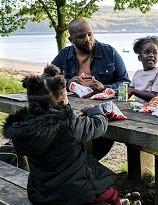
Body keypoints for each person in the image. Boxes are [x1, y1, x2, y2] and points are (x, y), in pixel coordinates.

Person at [3, 65, 121, 205]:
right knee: (111, 194)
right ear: (61, 102)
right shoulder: (69, 124)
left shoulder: (23, 128)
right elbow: (98, 126)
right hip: (76, 192)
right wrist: (94, 110)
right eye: (66, 99)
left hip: (40, 194)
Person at [52, 18, 131, 160]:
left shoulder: (109, 52)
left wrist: (105, 88)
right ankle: (77, 165)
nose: (88, 39)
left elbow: (125, 82)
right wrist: (68, 82)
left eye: (90, 34)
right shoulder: (64, 55)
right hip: (72, 109)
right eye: (81, 37)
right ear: (71, 39)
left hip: (101, 109)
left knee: (100, 136)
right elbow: (47, 80)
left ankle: (86, 164)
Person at [128, 36, 158, 102]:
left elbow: (154, 97)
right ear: (139, 57)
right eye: (146, 53)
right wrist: (118, 91)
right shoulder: (137, 73)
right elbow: (129, 92)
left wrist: (133, 91)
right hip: (139, 108)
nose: (151, 55)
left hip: (153, 109)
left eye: (154, 53)